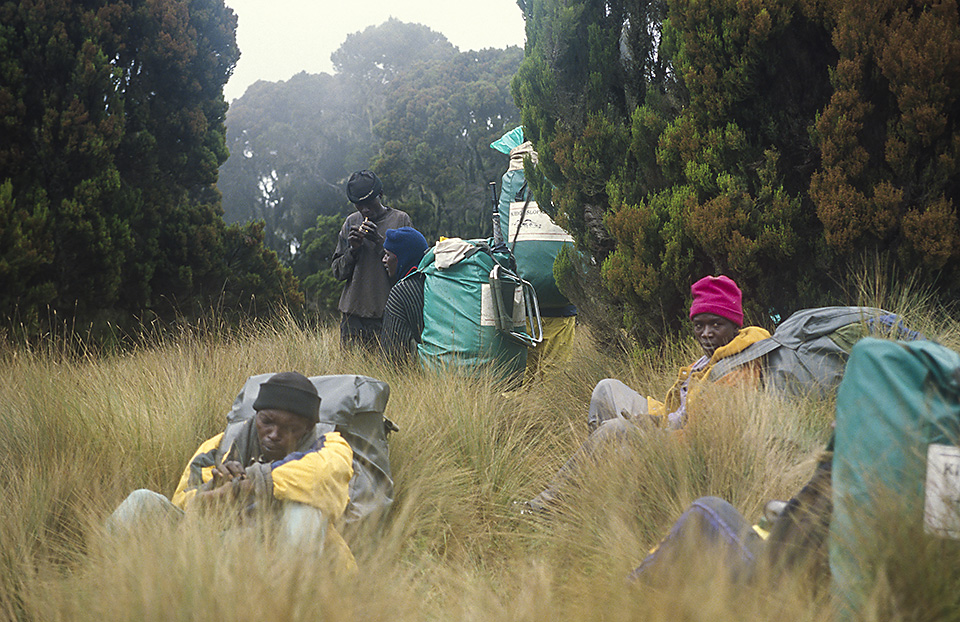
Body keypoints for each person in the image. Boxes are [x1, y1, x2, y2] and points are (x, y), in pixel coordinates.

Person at [522, 275, 771, 513]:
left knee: (613, 430)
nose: (706, 333)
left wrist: (654, 430)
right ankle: (602, 483)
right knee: (606, 389)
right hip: (671, 426)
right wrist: (655, 418)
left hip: (684, 454)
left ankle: (548, 505)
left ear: (735, 325)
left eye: (716, 324)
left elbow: (704, 440)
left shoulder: (737, 371)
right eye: (699, 325)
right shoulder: (712, 358)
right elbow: (682, 412)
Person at [107, 372, 356, 572]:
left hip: (290, 556)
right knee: (142, 501)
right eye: (267, 422)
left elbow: (321, 474)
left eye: (290, 428)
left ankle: (290, 604)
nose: (274, 434)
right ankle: (100, 574)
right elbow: (182, 503)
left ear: (308, 428)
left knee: (304, 509)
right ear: (257, 415)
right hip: (224, 548)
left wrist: (245, 485)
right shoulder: (219, 445)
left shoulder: (330, 445)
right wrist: (212, 494)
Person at [331, 170, 412, 349]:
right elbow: (338, 272)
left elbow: (410, 270)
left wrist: (379, 241)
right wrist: (353, 250)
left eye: (369, 203)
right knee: (351, 373)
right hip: (352, 316)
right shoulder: (351, 222)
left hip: (387, 315)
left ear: (380, 195)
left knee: (385, 371)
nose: (365, 209)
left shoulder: (400, 220)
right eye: (359, 205)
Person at [379, 226, 429, 361]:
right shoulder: (433, 282)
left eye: (388, 255)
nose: (384, 260)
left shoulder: (401, 291)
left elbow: (391, 354)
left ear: (402, 259)